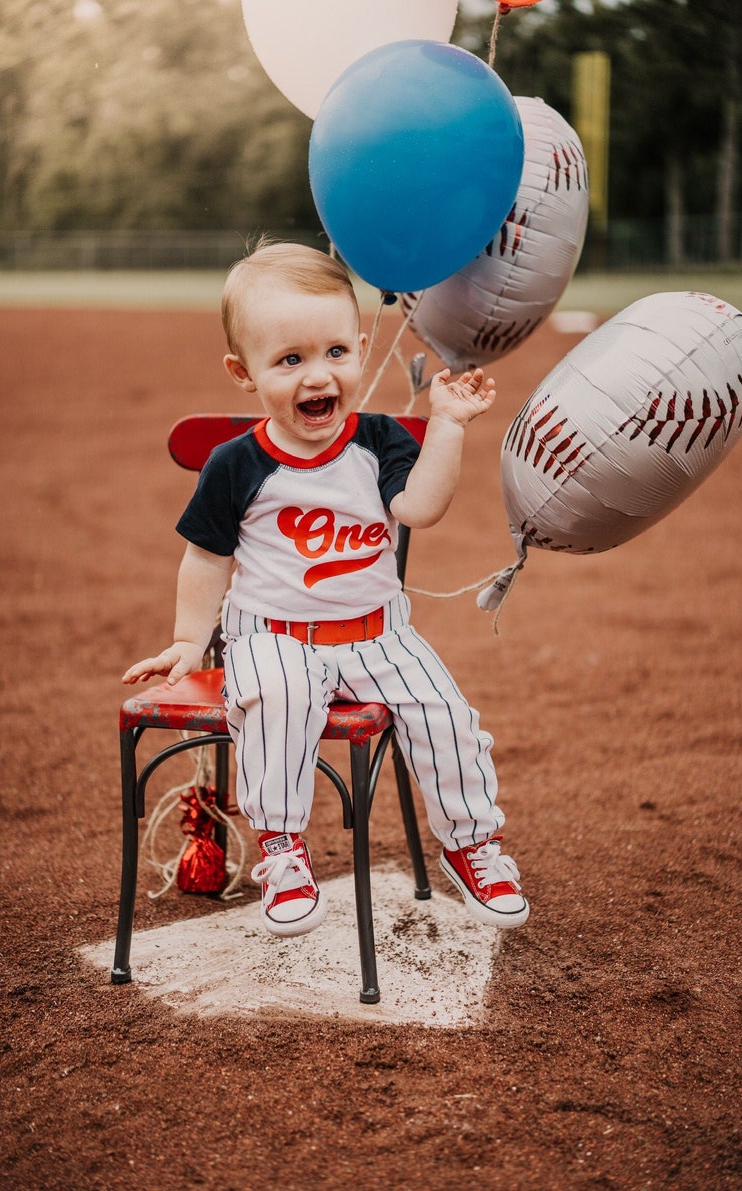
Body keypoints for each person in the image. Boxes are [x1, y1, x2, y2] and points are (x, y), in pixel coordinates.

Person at [123, 238, 529, 939]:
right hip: (273, 637)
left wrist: (447, 426)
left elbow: (420, 508)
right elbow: (206, 559)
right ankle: (283, 851)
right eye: (290, 360)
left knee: (447, 714)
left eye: (335, 351)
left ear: (362, 349)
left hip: (379, 633)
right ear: (243, 373)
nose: (318, 375)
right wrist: (190, 640)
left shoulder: (379, 441)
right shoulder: (235, 464)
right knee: (276, 700)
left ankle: (471, 845)